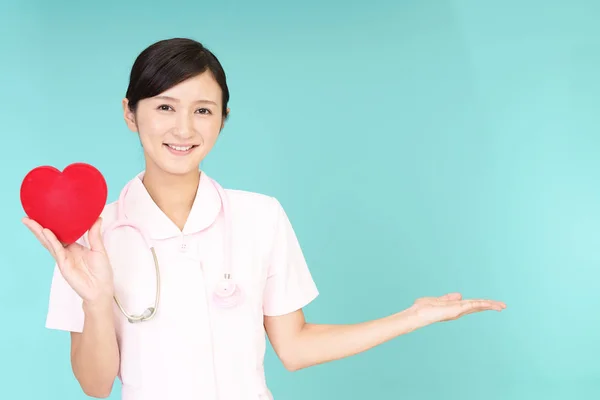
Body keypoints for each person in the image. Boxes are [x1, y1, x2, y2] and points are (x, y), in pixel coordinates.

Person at [22, 38, 506, 400]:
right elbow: (94, 383)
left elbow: (294, 349)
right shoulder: (90, 237)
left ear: (223, 119)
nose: (184, 129)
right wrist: (95, 300)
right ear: (130, 113)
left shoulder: (260, 217)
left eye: (203, 110)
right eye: (165, 107)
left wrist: (411, 317)